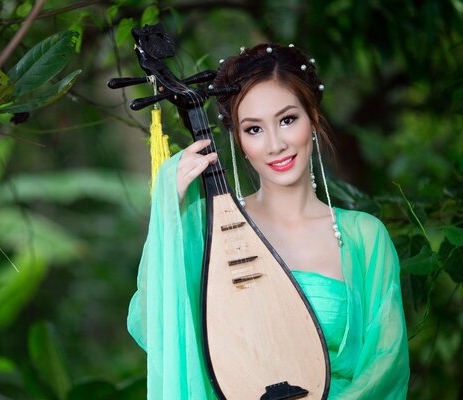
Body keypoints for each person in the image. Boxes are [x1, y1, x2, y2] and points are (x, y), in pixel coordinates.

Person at [127, 43, 410, 399]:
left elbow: (385, 363)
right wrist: (171, 212)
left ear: (313, 119)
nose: (275, 144)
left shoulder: (364, 237)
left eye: (287, 120)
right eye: (254, 129)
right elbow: (154, 323)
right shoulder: (206, 227)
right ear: (238, 139)